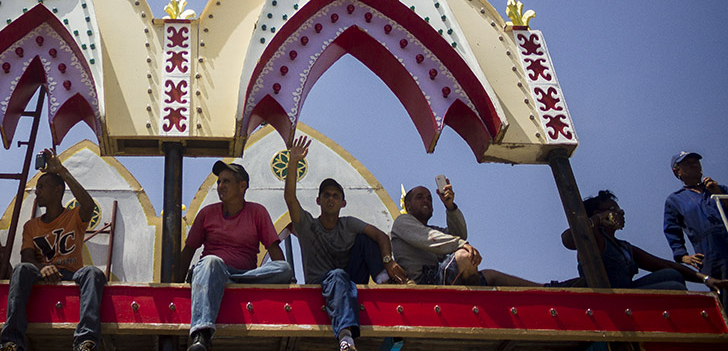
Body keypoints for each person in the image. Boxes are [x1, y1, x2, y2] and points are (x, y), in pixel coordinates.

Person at [283, 135, 406, 351]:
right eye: (326, 195)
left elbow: (381, 236)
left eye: (336, 195)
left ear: (343, 202)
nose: (331, 199)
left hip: (349, 280)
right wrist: (293, 163)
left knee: (365, 238)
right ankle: (346, 338)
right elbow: (291, 199)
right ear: (318, 201)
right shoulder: (307, 226)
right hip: (321, 285)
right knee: (338, 275)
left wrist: (388, 261)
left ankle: (383, 280)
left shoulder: (347, 224)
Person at [180, 160, 294, 351]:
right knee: (211, 262)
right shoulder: (207, 214)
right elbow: (189, 251)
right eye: (219, 182)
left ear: (242, 186)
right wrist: (174, 284)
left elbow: (275, 253)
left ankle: (229, 283)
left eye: (226, 181)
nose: (220, 186)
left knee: (285, 268)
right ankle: (201, 335)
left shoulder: (257, 212)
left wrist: (287, 283)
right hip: (211, 271)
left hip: (244, 276)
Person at [1, 149, 105, 351]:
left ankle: (85, 341)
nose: (37, 191)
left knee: (93, 273)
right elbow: (27, 257)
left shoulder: (74, 217)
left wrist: (62, 171)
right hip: (40, 275)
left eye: (42, 187)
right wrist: (42, 267)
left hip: (72, 274)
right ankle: (11, 342)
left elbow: (88, 205)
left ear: (58, 190)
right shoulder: (31, 226)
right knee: (22, 269)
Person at [563, 189, 725, 293]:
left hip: (627, 293)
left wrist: (705, 278)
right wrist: (598, 219)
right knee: (674, 288)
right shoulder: (593, 239)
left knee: (671, 274)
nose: (620, 212)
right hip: (608, 297)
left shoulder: (625, 248)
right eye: (613, 209)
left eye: (619, 208)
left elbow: (665, 265)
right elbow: (569, 239)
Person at [390, 180, 537, 286]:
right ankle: (476, 300)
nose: (426, 201)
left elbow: (459, 234)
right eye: (420, 197)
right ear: (408, 205)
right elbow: (430, 239)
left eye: (429, 198)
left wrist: (450, 206)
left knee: (491, 275)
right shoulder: (403, 222)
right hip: (423, 284)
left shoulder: (433, 230)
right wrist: (462, 245)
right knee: (463, 256)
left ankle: (544, 287)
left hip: (440, 277)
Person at [664, 151, 728, 308]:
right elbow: (672, 230)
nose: (694, 165)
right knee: (724, 295)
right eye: (688, 163)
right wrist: (682, 256)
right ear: (676, 171)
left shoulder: (719, 189)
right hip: (711, 253)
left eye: (696, 162)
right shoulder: (675, 200)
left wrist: (718, 193)